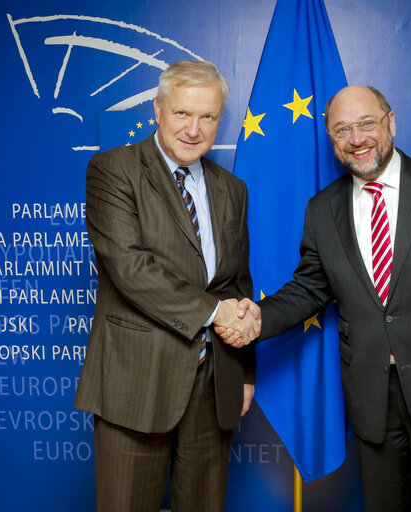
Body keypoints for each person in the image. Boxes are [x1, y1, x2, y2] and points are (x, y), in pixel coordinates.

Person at [220, 85, 411, 511]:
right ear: (332, 141)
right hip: (373, 406)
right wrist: (256, 317)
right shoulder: (322, 210)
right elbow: (309, 288)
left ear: (390, 122)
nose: (357, 138)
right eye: (342, 130)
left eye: (367, 123)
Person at [74, 60, 261, 512]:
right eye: (182, 114)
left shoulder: (232, 189)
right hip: (136, 383)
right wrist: (218, 314)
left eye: (208, 117)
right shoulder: (113, 170)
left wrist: (246, 371)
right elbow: (130, 268)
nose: (195, 129)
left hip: (214, 382)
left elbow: (236, 282)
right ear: (158, 110)